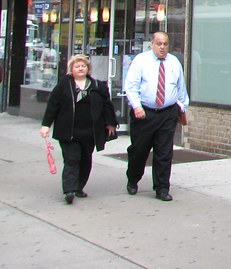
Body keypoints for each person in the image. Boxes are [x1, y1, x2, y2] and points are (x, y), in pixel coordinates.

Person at [39, 54, 117, 204]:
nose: (80, 69)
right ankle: (69, 190)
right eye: (77, 66)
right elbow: (53, 105)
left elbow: (107, 106)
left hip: (89, 132)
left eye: (83, 66)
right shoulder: (64, 85)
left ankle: (79, 187)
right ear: (71, 69)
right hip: (69, 132)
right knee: (72, 159)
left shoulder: (97, 86)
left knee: (85, 160)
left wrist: (110, 123)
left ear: (88, 68)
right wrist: (46, 125)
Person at [124, 31, 189, 201]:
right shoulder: (141, 61)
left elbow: (180, 88)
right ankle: (133, 178)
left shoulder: (174, 62)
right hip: (144, 113)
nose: (162, 47)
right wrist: (137, 106)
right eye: (159, 44)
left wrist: (181, 106)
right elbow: (131, 86)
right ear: (152, 44)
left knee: (164, 152)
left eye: (165, 44)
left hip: (167, 113)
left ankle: (162, 188)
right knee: (139, 151)